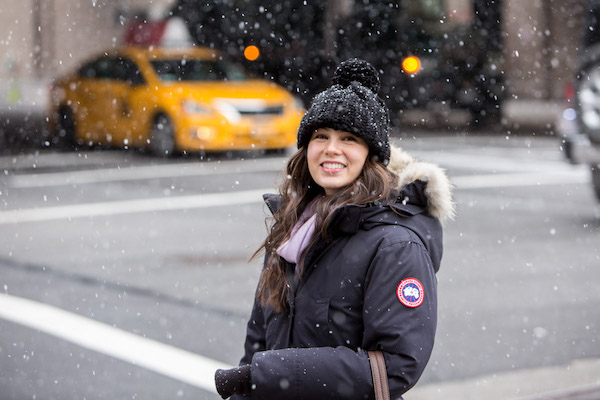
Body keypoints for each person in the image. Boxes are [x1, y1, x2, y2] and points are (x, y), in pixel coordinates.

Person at [214, 58, 455, 400]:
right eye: (320, 136)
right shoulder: (292, 228)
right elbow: (258, 344)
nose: (331, 149)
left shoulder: (396, 244)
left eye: (349, 138)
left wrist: (273, 373)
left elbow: (397, 365)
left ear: (372, 155)